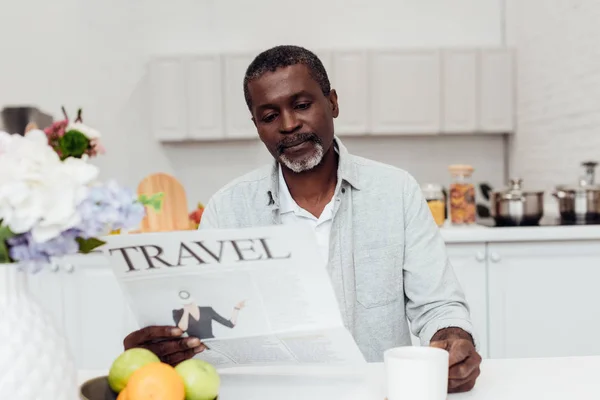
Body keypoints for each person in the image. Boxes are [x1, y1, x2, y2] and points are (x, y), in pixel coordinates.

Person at [123, 45, 481, 393]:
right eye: (269, 116)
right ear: (257, 126)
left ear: (333, 102)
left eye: (302, 105)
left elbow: (438, 304)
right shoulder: (228, 209)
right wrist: (165, 347)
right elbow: (203, 323)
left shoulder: (396, 192)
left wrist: (452, 339)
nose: (289, 124)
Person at [172, 290, 246, 340]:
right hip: (194, 345)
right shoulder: (178, 313)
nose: (188, 302)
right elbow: (182, 329)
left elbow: (230, 324)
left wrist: (236, 308)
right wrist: (186, 310)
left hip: (211, 343)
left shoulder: (207, 310)